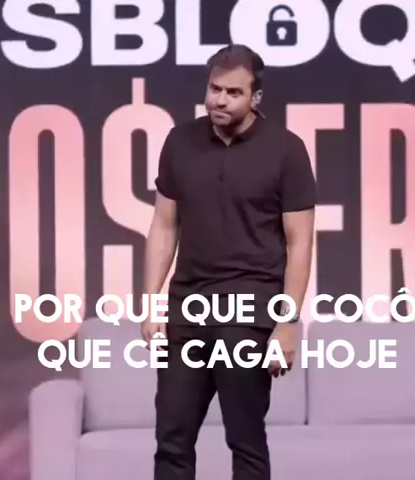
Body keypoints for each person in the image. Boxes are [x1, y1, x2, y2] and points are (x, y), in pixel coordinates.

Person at [141, 44, 316, 480]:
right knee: (171, 438)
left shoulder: (287, 150)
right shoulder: (180, 142)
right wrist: (151, 302)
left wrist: (287, 323)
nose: (219, 100)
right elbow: (164, 225)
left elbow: (300, 242)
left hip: (250, 309)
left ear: (256, 97)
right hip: (187, 308)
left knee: (245, 437)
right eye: (214, 89)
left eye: (233, 93)